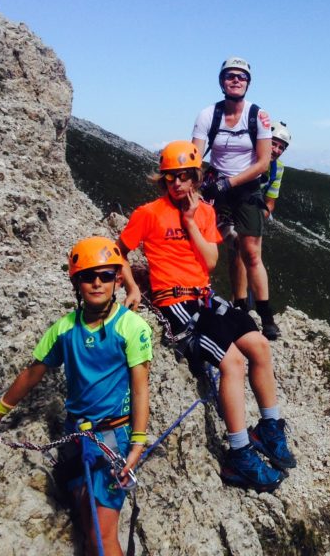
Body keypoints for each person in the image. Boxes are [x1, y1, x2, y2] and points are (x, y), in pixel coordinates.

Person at [117, 140, 295, 492]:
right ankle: (240, 455)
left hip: (204, 296)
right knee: (232, 363)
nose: (179, 184)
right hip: (174, 301)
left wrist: (191, 222)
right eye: (171, 178)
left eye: (186, 177)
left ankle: (270, 427)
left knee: (259, 345)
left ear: (197, 178)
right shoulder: (148, 213)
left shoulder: (204, 212)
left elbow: (211, 262)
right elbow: (118, 251)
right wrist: (133, 288)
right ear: (163, 180)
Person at [0, 237, 151, 556]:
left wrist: (137, 445)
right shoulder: (63, 330)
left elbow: (140, 389)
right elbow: (32, 373)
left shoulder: (132, 327)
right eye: (87, 276)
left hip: (114, 438)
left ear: (117, 279)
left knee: (101, 536)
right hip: (75, 436)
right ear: (76, 282)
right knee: (86, 520)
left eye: (105, 275)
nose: (97, 283)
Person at [192, 57, 281, 340]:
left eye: (241, 77)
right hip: (216, 186)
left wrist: (227, 184)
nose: (235, 80)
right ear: (222, 81)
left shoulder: (258, 115)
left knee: (251, 253)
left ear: (247, 83)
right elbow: (196, 156)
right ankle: (229, 303)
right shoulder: (208, 115)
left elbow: (263, 162)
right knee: (207, 248)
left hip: (245, 189)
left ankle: (266, 316)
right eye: (230, 76)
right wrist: (193, 184)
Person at [229, 121, 291, 304]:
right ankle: (240, 303)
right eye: (273, 143)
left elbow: (270, 203)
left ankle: (240, 303)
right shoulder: (245, 158)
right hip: (229, 205)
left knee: (247, 250)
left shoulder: (277, 168)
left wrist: (256, 218)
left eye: (281, 147)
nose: (276, 150)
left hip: (253, 209)